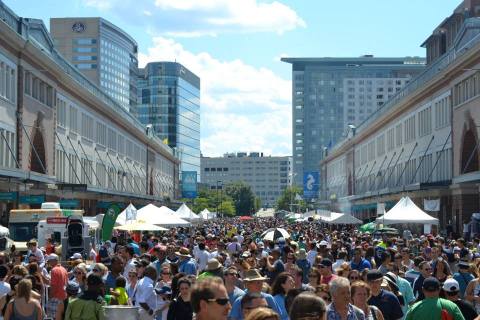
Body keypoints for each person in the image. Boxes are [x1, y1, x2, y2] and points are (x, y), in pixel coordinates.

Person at [47, 253, 69, 319]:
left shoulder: (54, 270)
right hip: (64, 297)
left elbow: (54, 286)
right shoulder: (63, 269)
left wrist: (50, 297)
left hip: (56, 297)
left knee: (54, 317)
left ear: (53, 261)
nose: (49, 263)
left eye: (49, 261)